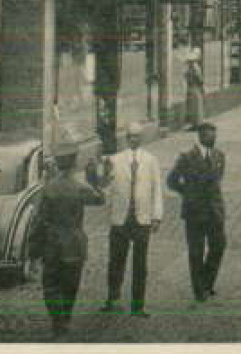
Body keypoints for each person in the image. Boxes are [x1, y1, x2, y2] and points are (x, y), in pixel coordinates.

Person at [31, 143, 105, 339]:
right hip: (74, 242)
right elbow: (100, 200)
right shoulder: (81, 188)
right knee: (70, 284)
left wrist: (34, 247)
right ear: (74, 162)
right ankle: (66, 318)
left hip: (52, 242)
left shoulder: (48, 188)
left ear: (57, 162)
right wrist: (94, 178)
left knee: (51, 284)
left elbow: (39, 218)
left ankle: (57, 323)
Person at [97, 121, 163, 318]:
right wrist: (102, 172)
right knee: (116, 261)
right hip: (120, 218)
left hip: (142, 218)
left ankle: (138, 305)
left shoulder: (151, 161)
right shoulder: (116, 160)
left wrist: (157, 216)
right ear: (126, 139)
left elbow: (157, 189)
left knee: (140, 264)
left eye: (137, 136)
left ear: (141, 138)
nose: (134, 139)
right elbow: (105, 186)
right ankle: (112, 298)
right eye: (131, 136)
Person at [166, 122, 226, 303]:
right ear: (200, 136)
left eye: (214, 134)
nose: (213, 138)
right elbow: (171, 181)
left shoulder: (219, 155)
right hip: (195, 212)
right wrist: (187, 193)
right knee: (196, 252)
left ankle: (207, 282)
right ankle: (199, 290)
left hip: (215, 211)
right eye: (209, 134)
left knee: (219, 246)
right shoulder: (187, 157)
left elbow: (218, 180)